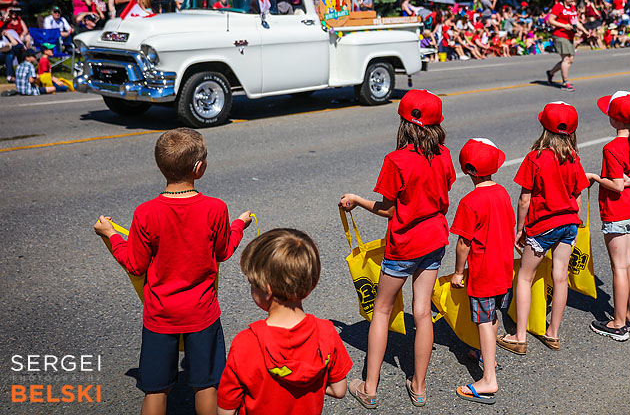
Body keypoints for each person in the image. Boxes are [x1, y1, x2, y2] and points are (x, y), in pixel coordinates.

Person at [92, 128, 253, 415]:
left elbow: (135, 264)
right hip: (202, 313)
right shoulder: (216, 209)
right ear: (199, 168)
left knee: (156, 390)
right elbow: (224, 251)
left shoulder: (146, 212)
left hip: (159, 316)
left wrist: (112, 235)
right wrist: (238, 224)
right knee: (206, 385)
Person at [338, 90, 455, 409]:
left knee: (382, 311)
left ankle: (369, 387)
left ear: (404, 123)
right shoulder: (444, 155)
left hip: (404, 245)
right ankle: (418, 386)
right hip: (434, 240)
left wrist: (358, 200)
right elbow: (443, 190)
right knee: (422, 312)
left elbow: (389, 209)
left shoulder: (396, 160)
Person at [217, 229, 352, 415]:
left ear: (267, 289)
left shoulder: (246, 342)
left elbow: (226, 410)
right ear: (311, 283)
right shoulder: (326, 332)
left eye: (252, 282)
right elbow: (339, 390)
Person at [498, 102, 589, 355]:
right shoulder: (573, 158)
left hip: (543, 226)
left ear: (544, 128)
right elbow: (578, 196)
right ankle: (553, 333)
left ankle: (519, 336)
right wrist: (572, 217)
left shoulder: (535, 158)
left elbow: (524, 199)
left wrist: (520, 228)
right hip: (568, 224)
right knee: (560, 278)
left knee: (525, 277)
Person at [450, 138, 515, 405]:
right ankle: (487, 355)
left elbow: (463, 243)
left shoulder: (470, 202)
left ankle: (488, 379)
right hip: (503, 268)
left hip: (484, 273)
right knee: (494, 316)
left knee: (484, 321)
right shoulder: (503, 193)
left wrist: (457, 272)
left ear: (467, 170)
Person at [588, 92, 630, 341]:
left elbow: (615, 186)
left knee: (618, 267)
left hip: (617, 212)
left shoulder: (612, 148)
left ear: (614, 120)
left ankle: (617, 324)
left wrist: (595, 177)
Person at [546, 0, 590, 92]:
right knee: (566, 59)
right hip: (560, 35)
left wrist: (584, 30)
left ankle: (551, 73)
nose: (572, 0)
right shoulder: (558, 6)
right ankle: (565, 82)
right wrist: (564, 25)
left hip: (570, 36)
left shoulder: (572, 8)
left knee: (570, 60)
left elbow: (576, 22)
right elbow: (550, 20)